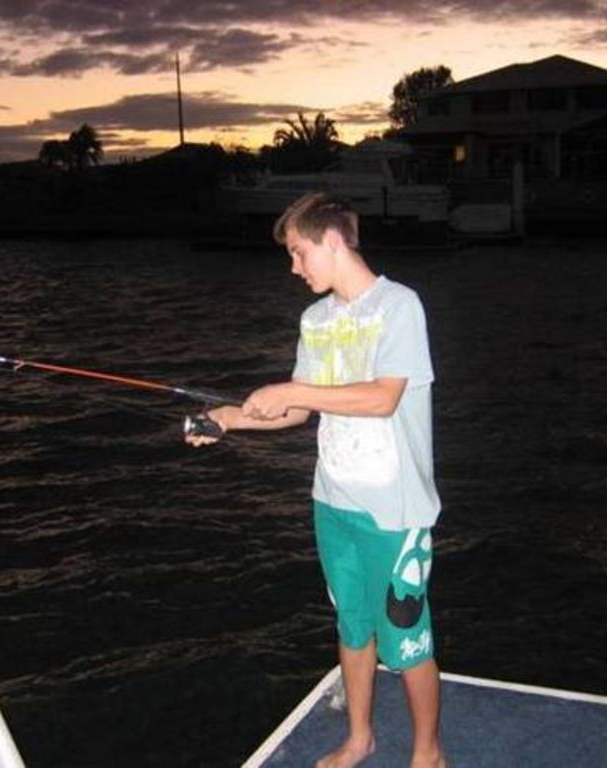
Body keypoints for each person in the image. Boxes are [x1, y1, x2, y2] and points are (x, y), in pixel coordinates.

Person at [187, 192, 446, 768]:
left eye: (300, 252)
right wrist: (227, 419)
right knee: (352, 626)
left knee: (406, 641)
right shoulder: (316, 320)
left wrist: (292, 390)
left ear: (332, 241)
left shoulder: (399, 306)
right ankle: (360, 738)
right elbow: (299, 412)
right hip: (332, 502)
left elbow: (383, 398)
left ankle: (428, 754)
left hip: (393, 513)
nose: (294, 267)